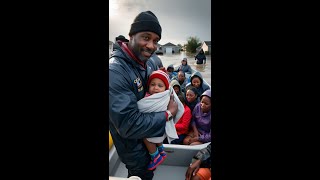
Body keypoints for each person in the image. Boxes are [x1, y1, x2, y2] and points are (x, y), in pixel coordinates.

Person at [109, 11, 179, 180]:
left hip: (153, 138)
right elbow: (128, 125)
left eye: (156, 40)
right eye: (146, 38)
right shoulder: (115, 72)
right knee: (141, 174)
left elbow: (161, 74)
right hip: (133, 149)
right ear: (131, 35)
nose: (151, 46)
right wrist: (168, 114)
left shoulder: (150, 60)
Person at [137, 70, 184, 170]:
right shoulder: (147, 96)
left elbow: (143, 107)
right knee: (154, 135)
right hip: (158, 124)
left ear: (165, 88)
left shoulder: (165, 97)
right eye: (152, 84)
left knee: (145, 137)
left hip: (157, 124)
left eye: (160, 85)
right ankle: (161, 149)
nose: (156, 87)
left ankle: (155, 156)